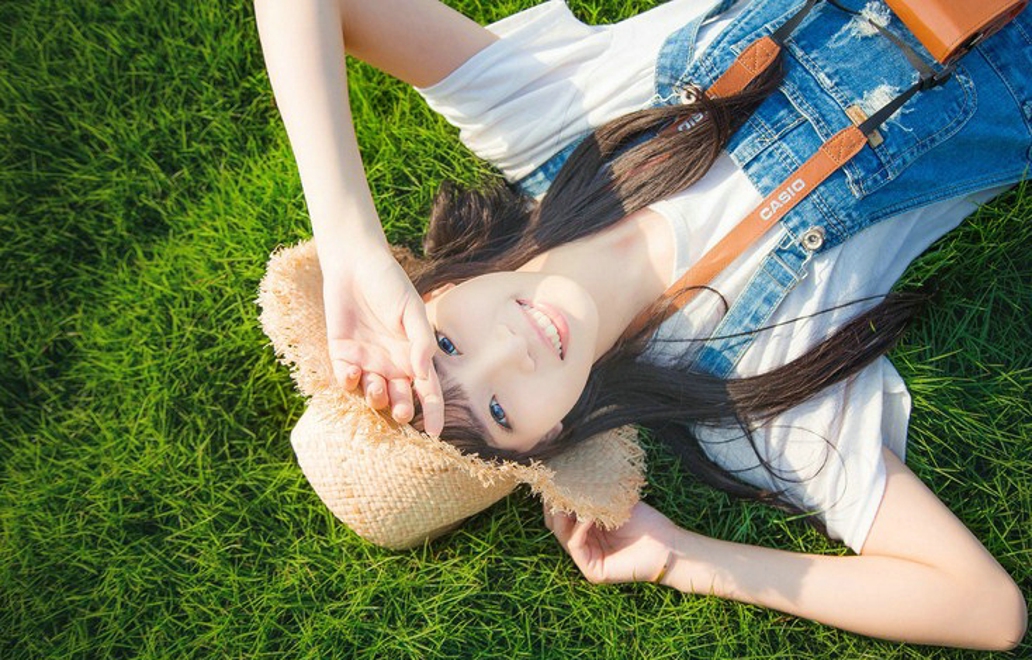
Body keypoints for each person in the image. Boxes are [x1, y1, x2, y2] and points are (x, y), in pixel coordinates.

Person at [255, 0, 1029, 650]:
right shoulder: (745, 384)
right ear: (549, 442)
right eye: (497, 411)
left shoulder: (541, 121)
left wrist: (349, 238)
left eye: (446, 346)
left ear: (432, 290)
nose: (512, 351)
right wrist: (680, 558)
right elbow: (983, 609)